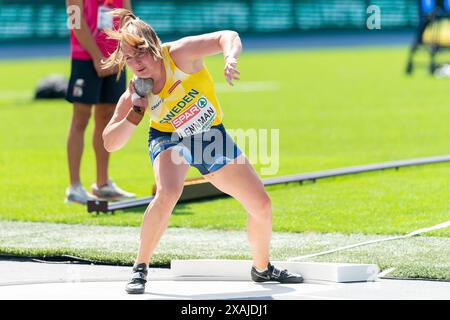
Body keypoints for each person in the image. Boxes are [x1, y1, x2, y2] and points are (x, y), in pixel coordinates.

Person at [102, 9, 304, 294]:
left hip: (209, 136)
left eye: (141, 55)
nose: (136, 65)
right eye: (129, 59)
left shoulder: (180, 54)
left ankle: (261, 269)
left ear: (154, 46)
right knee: (168, 193)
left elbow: (227, 36)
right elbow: (110, 142)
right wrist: (136, 113)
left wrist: (230, 57)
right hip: (168, 137)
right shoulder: (136, 90)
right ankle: (140, 268)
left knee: (262, 205)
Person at [65, 0, 135, 204]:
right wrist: (97, 57)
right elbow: (76, 23)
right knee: (81, 118)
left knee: (107, 117)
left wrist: (123, 53)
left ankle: (102, 184)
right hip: (85, 58)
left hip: (115, 57)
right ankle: (74, 187)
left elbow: (127, 17)